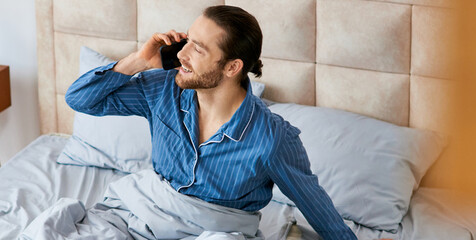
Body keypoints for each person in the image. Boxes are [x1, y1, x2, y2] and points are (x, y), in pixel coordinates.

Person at [66, 5, 356, 239]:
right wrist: (138, 62)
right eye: (188, 39)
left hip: (216, 230)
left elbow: (316, 207)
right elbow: (81, 99)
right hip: (142, 214)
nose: (181, 54)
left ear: (232, 67)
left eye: (198, 49)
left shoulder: (272, 138)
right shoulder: (163, 89)